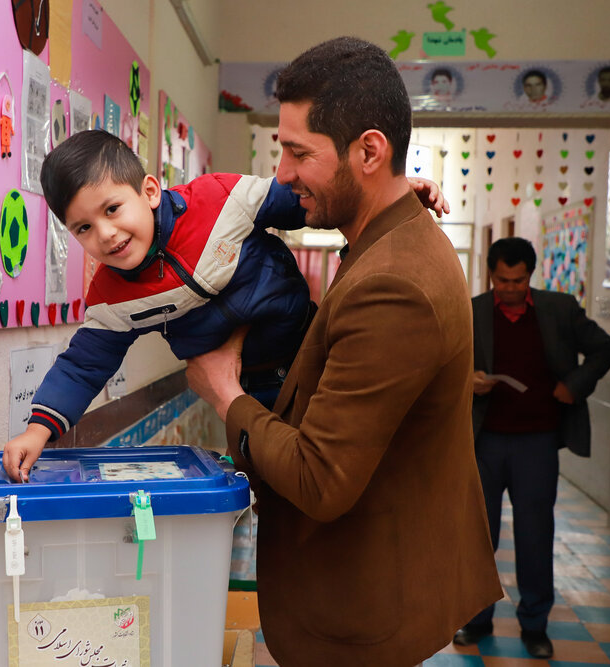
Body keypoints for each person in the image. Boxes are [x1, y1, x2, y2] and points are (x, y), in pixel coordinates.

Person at [183, 37, 502, 665]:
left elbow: (320, 479)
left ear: (369, 151)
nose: (283, 174)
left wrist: (227, 393)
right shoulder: (394, 234)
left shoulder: (394, 283)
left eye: (299, 153)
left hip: (361, 617)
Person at [1, 129, 448, 482]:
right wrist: (38, 430)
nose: (105, 233)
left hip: (309, 349)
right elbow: (83, 365)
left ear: (150, 192)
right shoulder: (113, 299)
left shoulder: (218, 200)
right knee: (280, 480)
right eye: (83, 228)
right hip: (249, 387)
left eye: (113, 208)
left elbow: (302, 203)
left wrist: (391, 194)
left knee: (344, 458)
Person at [453, 237, 610, 659]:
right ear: (491, 274)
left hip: (537, 443)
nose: (510, 288)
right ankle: (475, 619)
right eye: (502, 280)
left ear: (531, 274)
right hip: (485, 441)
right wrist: (468, 379)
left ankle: (535, 626)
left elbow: (605, 348)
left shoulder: (559, 309)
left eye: (518, 280)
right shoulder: (472, 312)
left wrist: (574, 385)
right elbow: (445, 363)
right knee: (478, 536)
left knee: (534, 535)